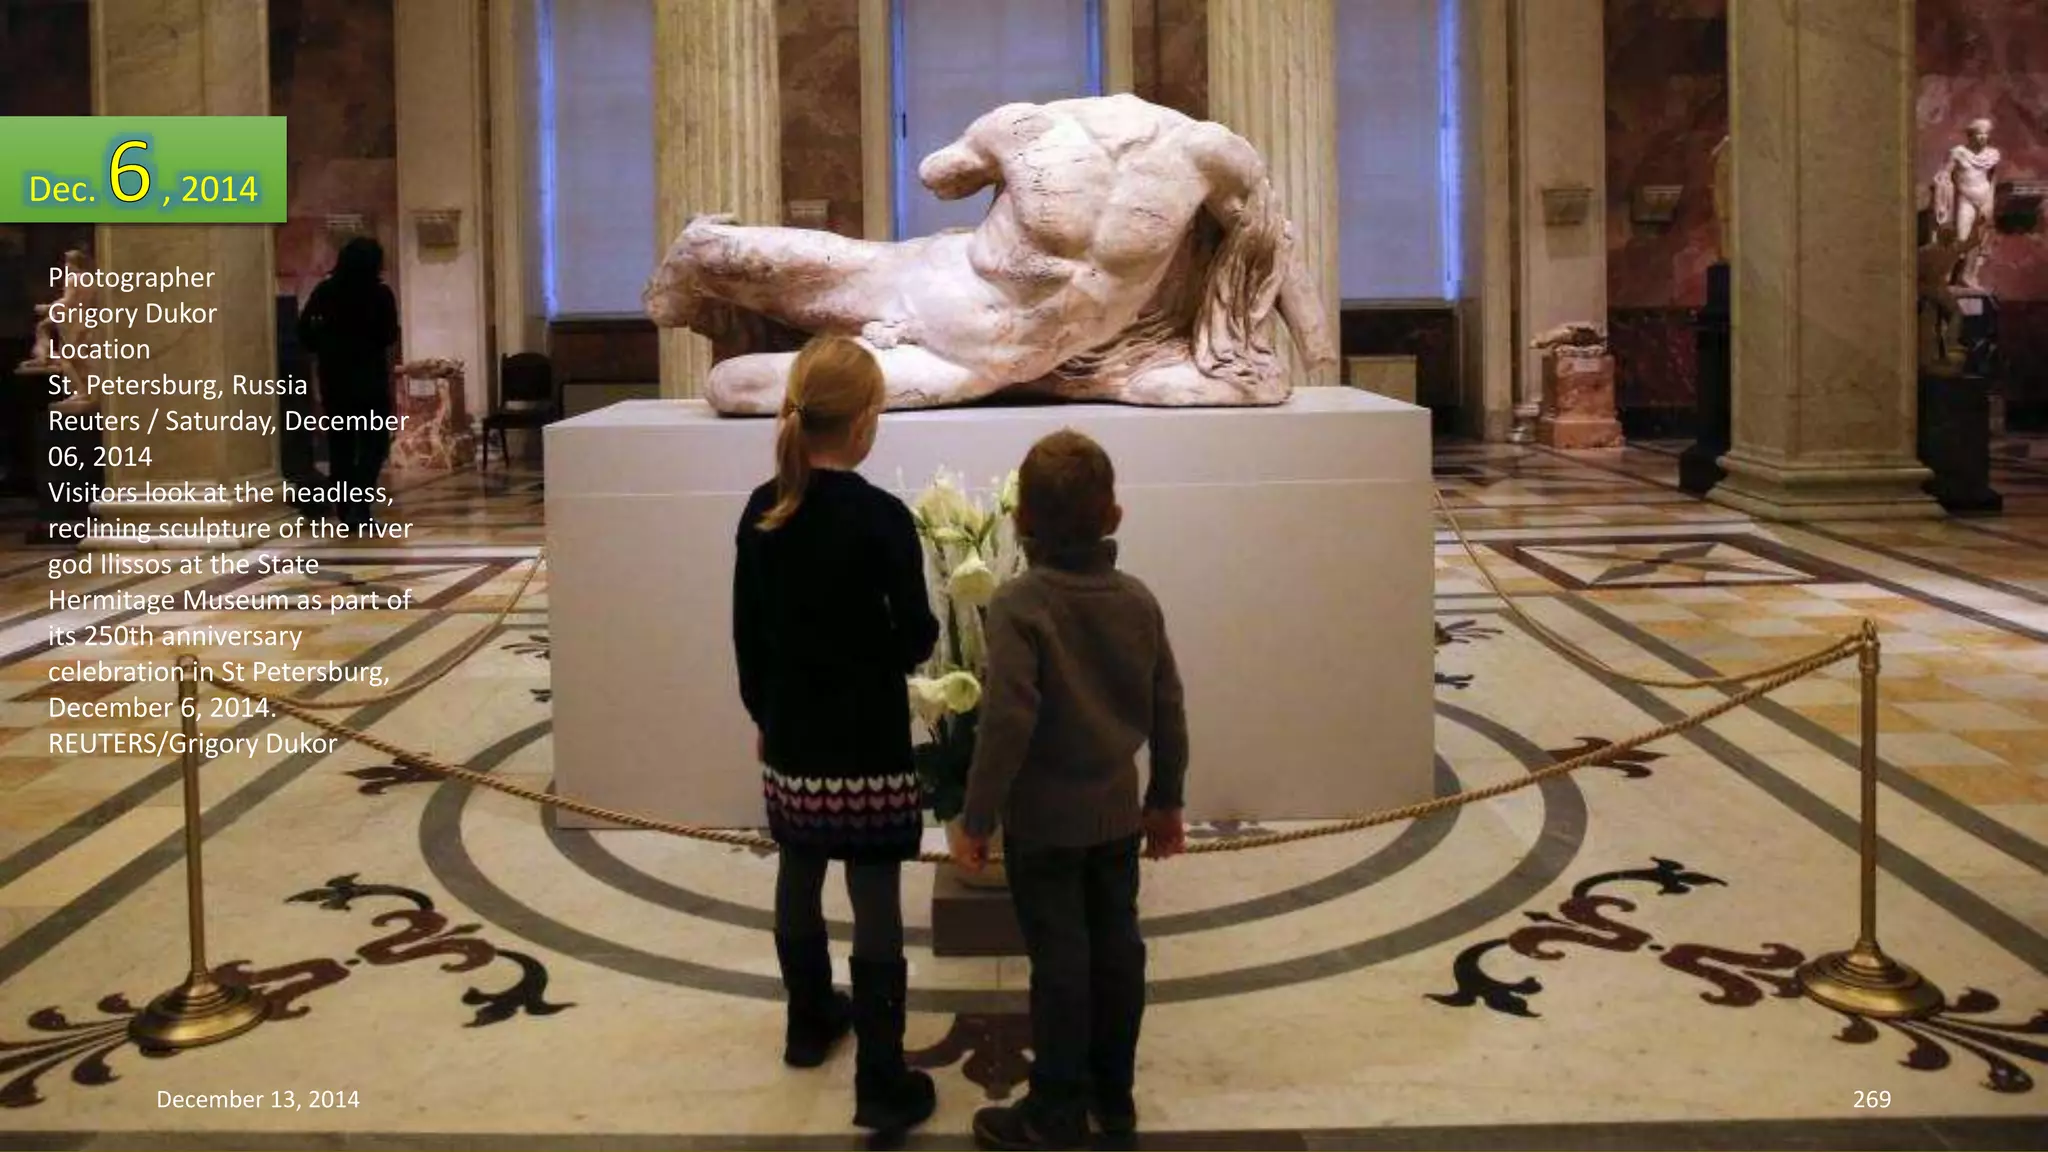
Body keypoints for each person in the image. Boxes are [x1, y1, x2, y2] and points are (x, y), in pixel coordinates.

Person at [645, 93, 1336, 414]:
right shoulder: (1210, 152)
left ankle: (704, 252)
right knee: (741, 384)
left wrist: (995, 153)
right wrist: (1322, 361)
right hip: (984, 340)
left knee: (739, 378)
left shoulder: (1023, 123)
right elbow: (1276, 249)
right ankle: (705, 253)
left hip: (951, 306)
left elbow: (938, 176)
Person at [949, 429, 1189, 1150]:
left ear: (1020, 520)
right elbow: (1169, 708)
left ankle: (1055, 1107)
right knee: (1118, 949)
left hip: (1045, 826)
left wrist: (977, 816)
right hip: (1116, 816)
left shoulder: (1023, 604)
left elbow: (1007, 724)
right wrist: (1166, 801)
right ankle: (1114, 1096)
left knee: (1059, 962)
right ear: (1114, 516)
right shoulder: (1138, 601)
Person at [731, 335, 940, 1134]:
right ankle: (882, 1080)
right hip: (867, 737)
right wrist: (876, 655)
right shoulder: (882, 517)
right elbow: (917, 636)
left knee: (799, 866)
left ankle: (807, 1021)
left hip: (792, 732)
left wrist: (763, 713)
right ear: (864, 425)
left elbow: (746, 632)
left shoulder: (761, 508)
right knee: (875, 890)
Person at [297, 237, 399, 522]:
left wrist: (327, 345)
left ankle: (344, 507)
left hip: (335, 380)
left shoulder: (325, 292)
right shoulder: (380, 295)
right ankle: (360, 503)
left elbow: (304, 332)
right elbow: (389, 335)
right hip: (370, 381)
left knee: (340, 446)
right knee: (374, 445)